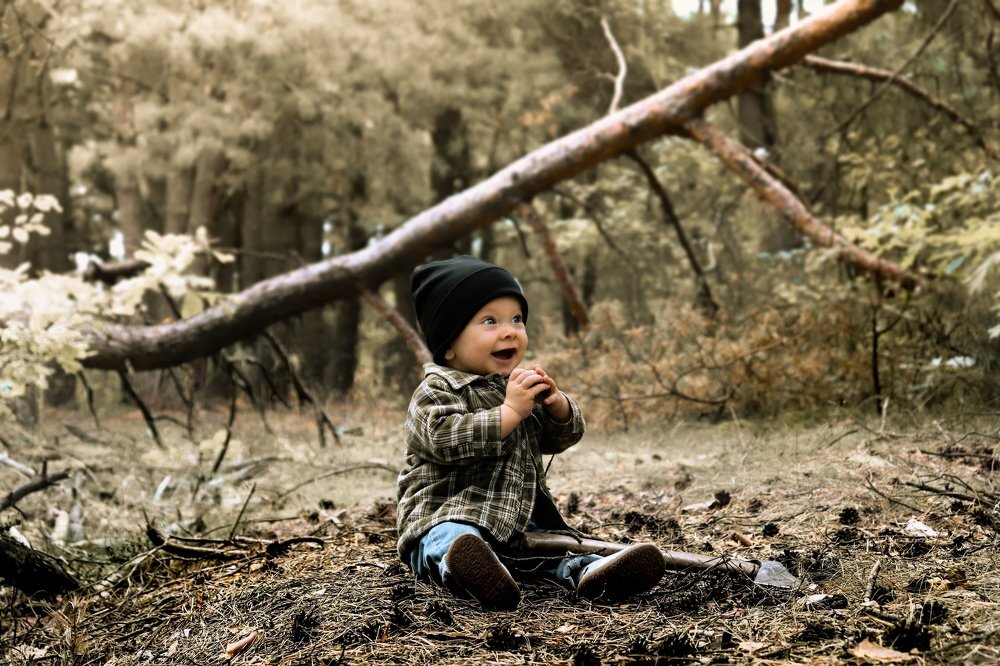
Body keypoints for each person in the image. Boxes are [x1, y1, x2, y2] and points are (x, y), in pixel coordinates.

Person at [396, 255, 664, 610]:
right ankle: (462, 569)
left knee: (554, 549)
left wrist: (556, 406)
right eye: (489, 321)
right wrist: (508, 413)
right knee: (451, 538)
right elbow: (442, 439)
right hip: (445, 515)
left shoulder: (517, 387)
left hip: (517, 525)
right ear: (449, 344)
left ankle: (591, 573)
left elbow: (559, 439)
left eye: (517, 319)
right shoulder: (437, 390)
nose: (509, 331)